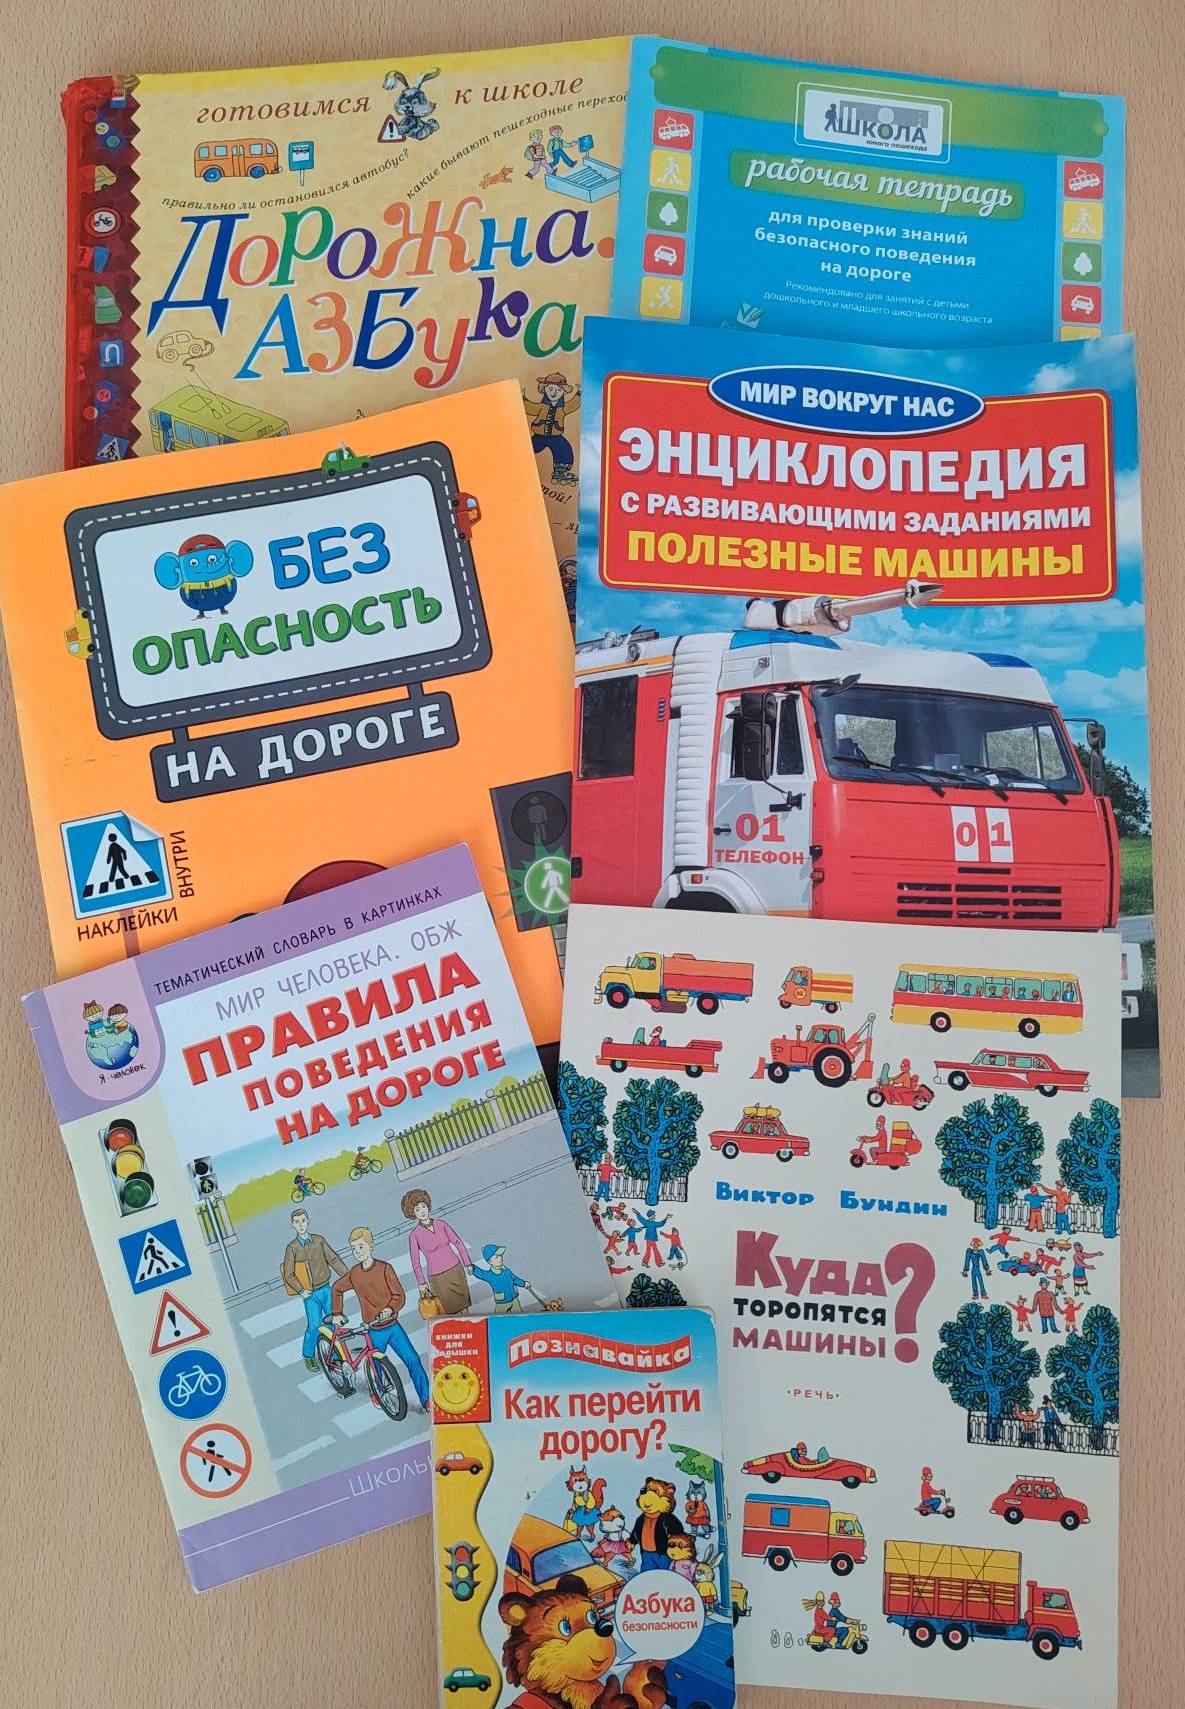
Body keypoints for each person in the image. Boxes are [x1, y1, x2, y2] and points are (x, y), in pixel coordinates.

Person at [330, 1225, 430, 1409]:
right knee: (376, 1365)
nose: (357, 1251)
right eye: (354, 1248)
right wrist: (337, 1313)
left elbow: (399, 1295)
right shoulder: (355, 1274)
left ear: (371, 1246)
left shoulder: (385, 1268)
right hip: (373, 1329)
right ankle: (377, 1393)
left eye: (361, 1246)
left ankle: (426, 1399)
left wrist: (390, 1308)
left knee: (413, 1360)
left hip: (392, 1326)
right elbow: (337, 1288)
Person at [281, 1207, 347, 1371]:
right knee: (314, 1326)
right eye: (297, 1222)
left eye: (303, 1221)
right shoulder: (292, 1248)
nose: (301, 1224)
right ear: (292, 1225)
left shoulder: (319, 1240)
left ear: (308, 1221)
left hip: (326, 1288)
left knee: (333, 1321)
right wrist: (301, 1291)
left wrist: (349, 1277)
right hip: (309, 1294)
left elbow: (333, 1259)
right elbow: (288, 1274)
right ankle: (309, 1355)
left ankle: (333, 1354)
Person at [403, 1187, 472, 1315]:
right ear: (413, 1214)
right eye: (417, 1209)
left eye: (423, 1206)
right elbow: (416, 1263)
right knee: (449, 1310)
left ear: (427, 1206)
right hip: (438, 1277)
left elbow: (458, 1242)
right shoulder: (414, 1235)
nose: (422, 1211)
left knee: (464, 1307)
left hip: (455, 1270)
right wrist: (421, 1282)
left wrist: (467, 1263)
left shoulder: (441, 1224)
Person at [471, 1242, 549, 1314]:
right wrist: (473, 1269)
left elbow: (514, 1279)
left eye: (500, 1256)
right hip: (502, 1302)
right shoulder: (491, 1275)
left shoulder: (506, 1271)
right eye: (496, 1257)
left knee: (519, 1316)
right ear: (490, 1261)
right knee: (499, 1318)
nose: (500, 1258)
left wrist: (523, 1283)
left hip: (514, 1299)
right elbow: (482, 1274)